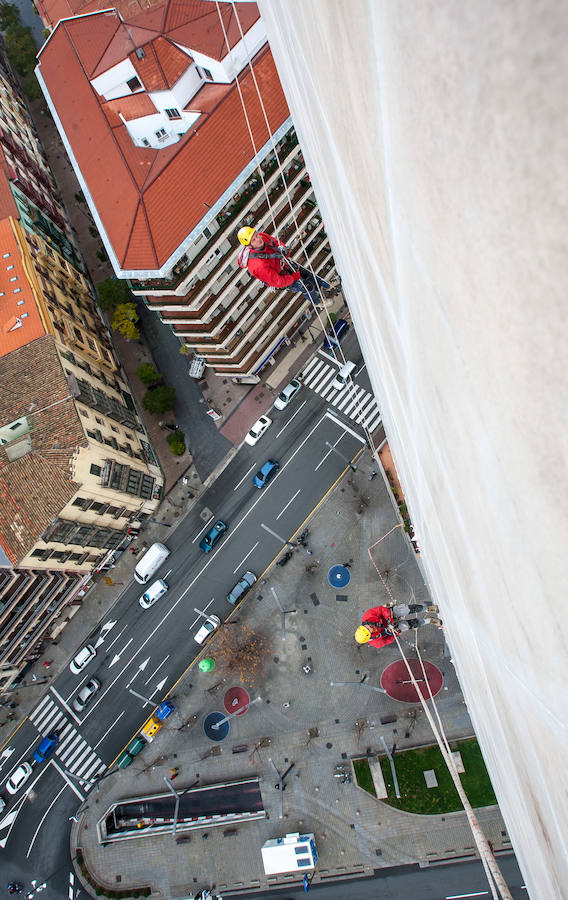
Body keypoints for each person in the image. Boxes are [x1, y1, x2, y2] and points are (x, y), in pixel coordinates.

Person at [237, 226, 341, 305]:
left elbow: (275, 242)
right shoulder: (258, 265)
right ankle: (318, 303)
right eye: (254, 240)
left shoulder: (262, 237)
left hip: (284, 263)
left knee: (307, 274)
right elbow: (278, 281)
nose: (258, 239)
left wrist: (283, 248)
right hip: (282, 278)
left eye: (256, 235)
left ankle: (326, 286)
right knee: (306, 286)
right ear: (250, 246)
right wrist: (293, 277)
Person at [354, 604, 441, 648]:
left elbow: (381, 609)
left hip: (389, 615)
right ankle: (428, 620)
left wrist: (389, 619)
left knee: (403, 609)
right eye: (369, 630)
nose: (370, 627)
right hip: (392, 629)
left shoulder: (368, 616)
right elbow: (389, 640)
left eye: (367, 627)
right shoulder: (376, 642)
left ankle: (427, 608)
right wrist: (395, 633)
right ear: (369, 636)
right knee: (406, 626)